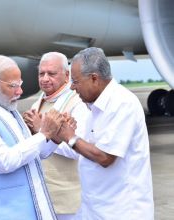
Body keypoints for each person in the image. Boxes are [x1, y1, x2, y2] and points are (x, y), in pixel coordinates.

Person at [0, 55, 73, 220]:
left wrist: (56, 137)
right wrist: (43, 134)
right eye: (13, 86)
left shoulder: (7, 108)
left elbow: (34, 153)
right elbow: (4, 161)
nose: (20, 91)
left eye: (20, 84)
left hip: (22, 209)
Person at [56, 47, 154, 219]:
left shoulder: (122, 103)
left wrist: (70, 136)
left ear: (94, 78)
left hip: (122, 210)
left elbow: (105, 157)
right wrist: (58, 133)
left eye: (76, 81)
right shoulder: (91, 106)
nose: (72, 87)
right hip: (96, 207)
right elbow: (82, 149)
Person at [23, 52, 89, 220]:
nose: (45, 79)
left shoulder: (77, 103)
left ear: (67, 76)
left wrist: (41, 133)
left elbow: (79, 150)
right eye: (41, 73)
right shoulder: (37, 103)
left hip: (67, 200)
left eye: (51, 73)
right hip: (42, 195)